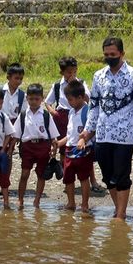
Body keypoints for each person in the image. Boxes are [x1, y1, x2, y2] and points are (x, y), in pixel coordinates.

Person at [80, 37, 133, 220]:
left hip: (124, 135)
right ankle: (118, 208)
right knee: (107, 176)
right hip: (103, 134)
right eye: (106, 55)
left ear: (122, 53)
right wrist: (87, 132)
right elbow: (94, 106)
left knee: (122, 176)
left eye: (113, 54)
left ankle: (120, 214)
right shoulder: (98, 76)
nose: (109, 57)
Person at [45, 57, 102, 193]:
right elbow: (47, 101)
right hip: (63, 116)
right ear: (62, 72)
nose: (72, 75)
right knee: (66, 149)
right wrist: (54, 112)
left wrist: (77, 85)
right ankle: (67, 179)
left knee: (85, 148)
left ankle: (92, 181)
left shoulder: (80, 83)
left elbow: (89, 99)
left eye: (74, 72)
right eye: (69, 72)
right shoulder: (58, 86)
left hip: (80, 115)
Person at [12, 84, 60, 208]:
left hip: (43, 147)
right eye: (31, 99)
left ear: (42, 99)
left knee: (41, 174)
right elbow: (16, 134)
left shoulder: (45, 115)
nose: (33, 102)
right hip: (27, 147)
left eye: (37, 99)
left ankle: (37, 200)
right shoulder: (23, 115)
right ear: (27, 98)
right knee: (24, 174)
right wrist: (9, 149)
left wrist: (54, 147)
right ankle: (20, 199)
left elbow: (53, 134)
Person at [56, 80, 94, 213]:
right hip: (69, 149)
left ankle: (84, 204)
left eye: (70, 99)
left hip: (83, 150)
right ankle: (71, 203)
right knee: (68, 177)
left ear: (80, 97)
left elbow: (92, 129)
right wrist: (59, 143)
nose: (69, 102)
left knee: (84, 178)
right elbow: (70, 135)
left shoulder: (88, 112)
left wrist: (84, 140)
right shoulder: (71, 112)